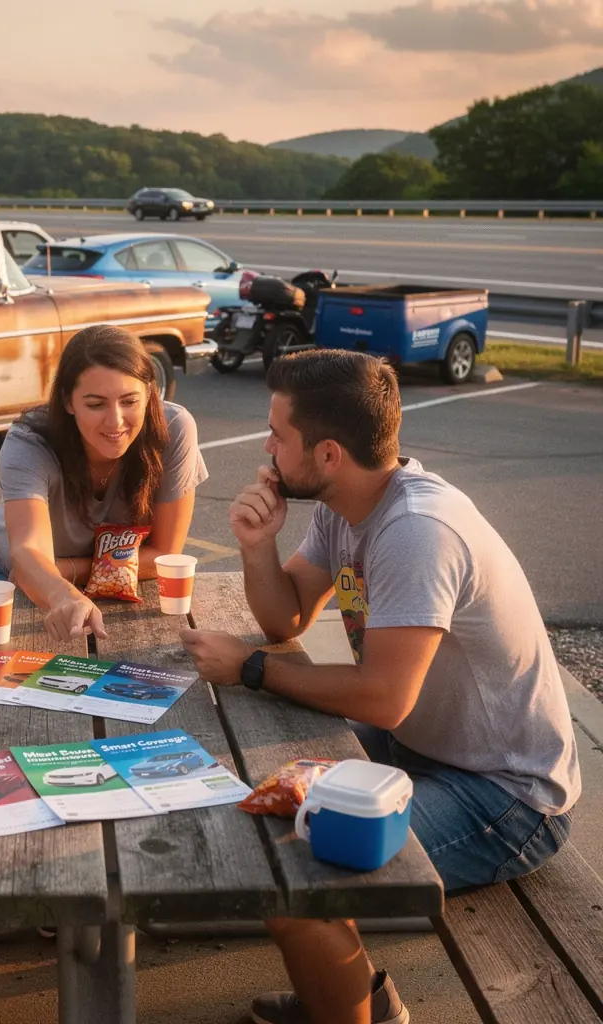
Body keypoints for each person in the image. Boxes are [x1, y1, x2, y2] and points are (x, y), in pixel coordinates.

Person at [180, 349, 580, 1024]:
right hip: (419, 747)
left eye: (278, 435)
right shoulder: (348, 503)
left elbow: (382, 697)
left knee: (294, 883)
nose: (267, 448)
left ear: (328, 452)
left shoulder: (417, 531)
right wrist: (257, 546)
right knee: (246, 782)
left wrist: (249, 667)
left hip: (506, 795)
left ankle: (350, 1010)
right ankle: (354, 998)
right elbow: (284, 619)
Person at [0, 324, 208, 644]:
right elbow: (28, 555)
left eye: (129, 401)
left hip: (74, 577)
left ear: (149, 393)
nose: (115, 421)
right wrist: (63, 592)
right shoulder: (28, 441)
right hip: (32, 582)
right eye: (96, 404)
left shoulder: (175, 428)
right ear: (68, 401)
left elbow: (166, 554)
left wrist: (68, 570)